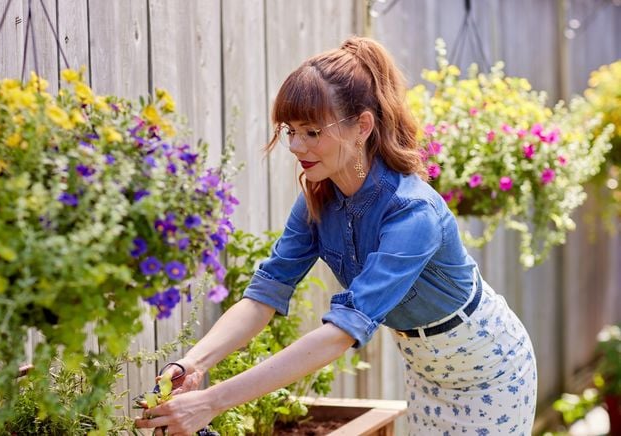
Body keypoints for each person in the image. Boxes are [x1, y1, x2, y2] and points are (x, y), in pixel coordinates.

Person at [136, 36, 537, 436]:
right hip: (425, 369)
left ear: (362, 126)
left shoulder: (413, 213)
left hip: (489, 368)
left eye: (312, 132)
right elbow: (264, 294)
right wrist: (193, 364)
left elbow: (343, 332)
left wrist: (210, 402)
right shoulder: (318, 196)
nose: (295, 145)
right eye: (290, 130)